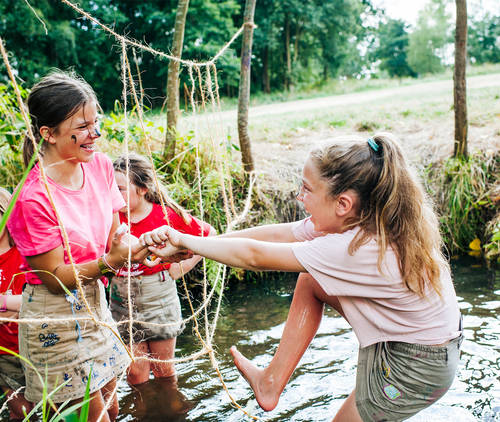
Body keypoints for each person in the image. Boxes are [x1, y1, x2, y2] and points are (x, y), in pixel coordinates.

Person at [139, 133, 463, 422]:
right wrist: (197, 248)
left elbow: (255, 256)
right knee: (312, 281)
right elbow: (277, 235)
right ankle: (271, 382)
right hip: (413, 342)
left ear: (343, 203)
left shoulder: (353, 248)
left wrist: (184, 240)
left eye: (306, 189)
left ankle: (271, 382)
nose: (298, 197)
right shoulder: (359, 218)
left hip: (418, 367)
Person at [6, 71, 151, 422]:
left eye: (96, 122)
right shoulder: (33, 197)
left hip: (95, 304)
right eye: (83, 126)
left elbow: (117, 237)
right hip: (54, 318)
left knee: (112, 409)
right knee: (91, 417)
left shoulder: (99, 166)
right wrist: (110, 262)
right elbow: (54, 277)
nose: (96, 134)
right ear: (48, 134)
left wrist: (149, 245)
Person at [110, 153, 215, 385]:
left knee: (163, 372)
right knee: (136, 375)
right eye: (110, 189)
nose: (113, 196)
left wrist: (181, 267)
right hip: (121, 300)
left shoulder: (165, 216)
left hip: (159, 298)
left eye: (120, 189)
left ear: (143, 188)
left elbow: (208, 235)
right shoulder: (111, 217)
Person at [0, 188, 33, 420]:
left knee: (54, 407)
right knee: (21, 412)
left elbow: (36, 302)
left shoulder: (27, 254)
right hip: (4, 352)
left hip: (35, 347)